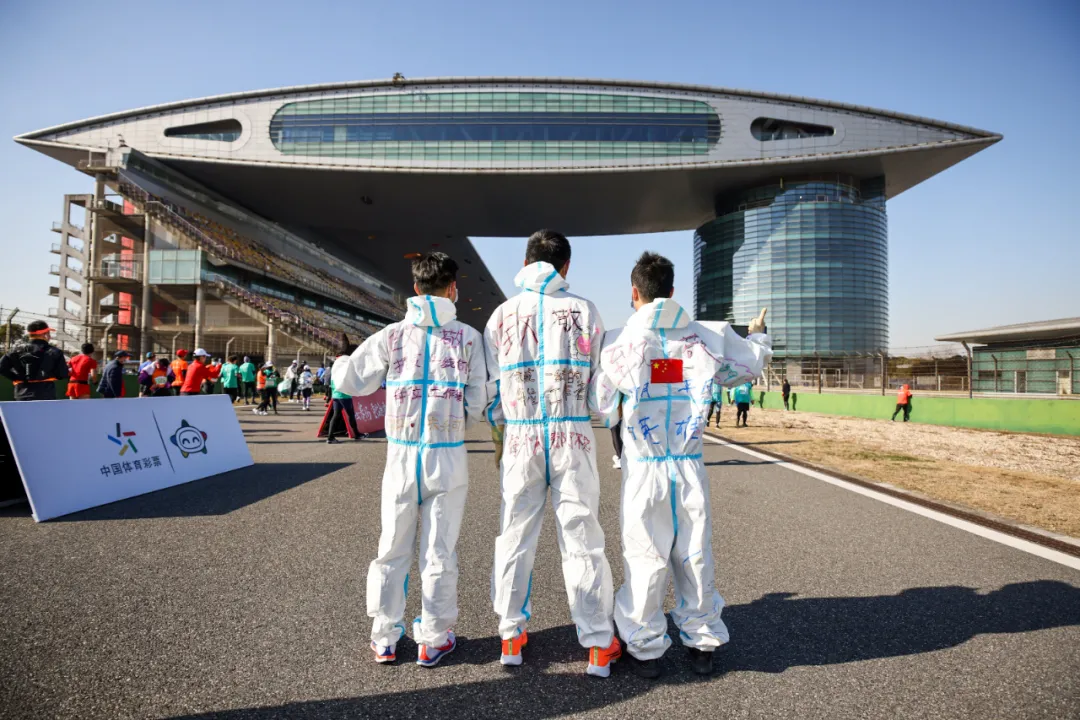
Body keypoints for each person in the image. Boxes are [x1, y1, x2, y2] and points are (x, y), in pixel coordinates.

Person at [592, 251, 772, 678]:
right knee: (695, 554)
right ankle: (702, 641)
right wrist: (758, 335)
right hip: (689, 463)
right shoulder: (710, 335)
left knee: (645, 556)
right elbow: (749, 366)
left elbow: (602, 405)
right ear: (672, 291)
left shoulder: (616, 341)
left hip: (644, 465)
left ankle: (646, 648)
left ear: (634, 292)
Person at [332, 251, 487, 668]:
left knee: (392, 546)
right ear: (453, 288)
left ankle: (384, 635)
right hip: (447, 454)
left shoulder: (392, 335)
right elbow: (477, 400)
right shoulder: (468, 337)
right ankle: (433, 638)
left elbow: (351, 381)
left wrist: (342, 358)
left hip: (401, 455)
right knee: (439, 550)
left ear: (415, 288)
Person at [483, 230, 619, 678]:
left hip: (521, 437)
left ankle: (511, 635)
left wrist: (501, 435)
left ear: (525, 262)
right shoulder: (586, 310)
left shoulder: (501, 315)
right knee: (582, 537)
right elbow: (601, 390)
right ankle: (597, 642)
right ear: (566, 266)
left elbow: (492, 395)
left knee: (514, 535)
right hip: (572, 435)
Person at [0, 320, 69, 401]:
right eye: (48, 333)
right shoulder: (54, 351)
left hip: (21, 393)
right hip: (45, 393)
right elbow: (62, 374)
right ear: (45, 334)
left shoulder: (15, 350)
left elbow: (1, 367)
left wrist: (17, 378)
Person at [325, 348, 362, 441]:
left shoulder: (335, 367)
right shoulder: (344, 365)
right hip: (344, 394)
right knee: (351, 414)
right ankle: (357, 434)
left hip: (336, 394)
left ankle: (330, 437)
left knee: (336, 415)